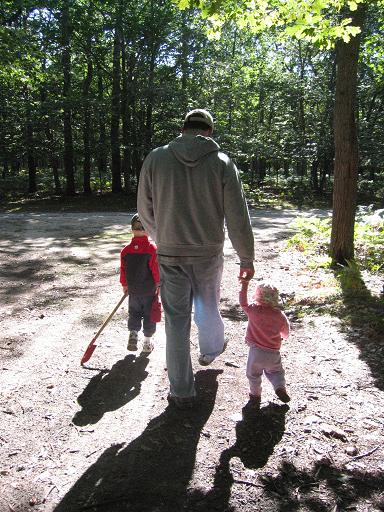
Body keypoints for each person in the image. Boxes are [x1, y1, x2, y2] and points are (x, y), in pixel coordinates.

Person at [138, 108, 255, 408]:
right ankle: (211, 350)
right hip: (207, 253)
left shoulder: (156, 158)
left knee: (176, 321)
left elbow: (144, 208)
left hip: (170, 252)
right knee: (208, 303)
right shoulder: (222, 163)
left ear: (183, 128)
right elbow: (237, 215)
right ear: (209, 132)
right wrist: (246, 257)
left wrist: (160, 236)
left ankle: (181, 391)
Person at [239, 280, 290, 407]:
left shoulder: (253, 310)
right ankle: (279, 388)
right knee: (276, 372)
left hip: (256, 352)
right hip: (273, 352)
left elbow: (243, 302)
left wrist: (244, 284)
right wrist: (283, 336)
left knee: (253, 375)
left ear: (257, 296)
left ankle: (255, 395)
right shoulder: (280, 315)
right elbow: (286, 332)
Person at [120, 213, 160, 354]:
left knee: (134, 313)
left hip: (133, 291)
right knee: (150, 315)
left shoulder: (125, 251)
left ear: (132, 229)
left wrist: (125, 285)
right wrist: (159, 284)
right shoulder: (151, 250)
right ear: (148, 229)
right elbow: (156, 271)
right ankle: (147, 343)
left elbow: (123, 270)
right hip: (149, 291)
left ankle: (133, 334)